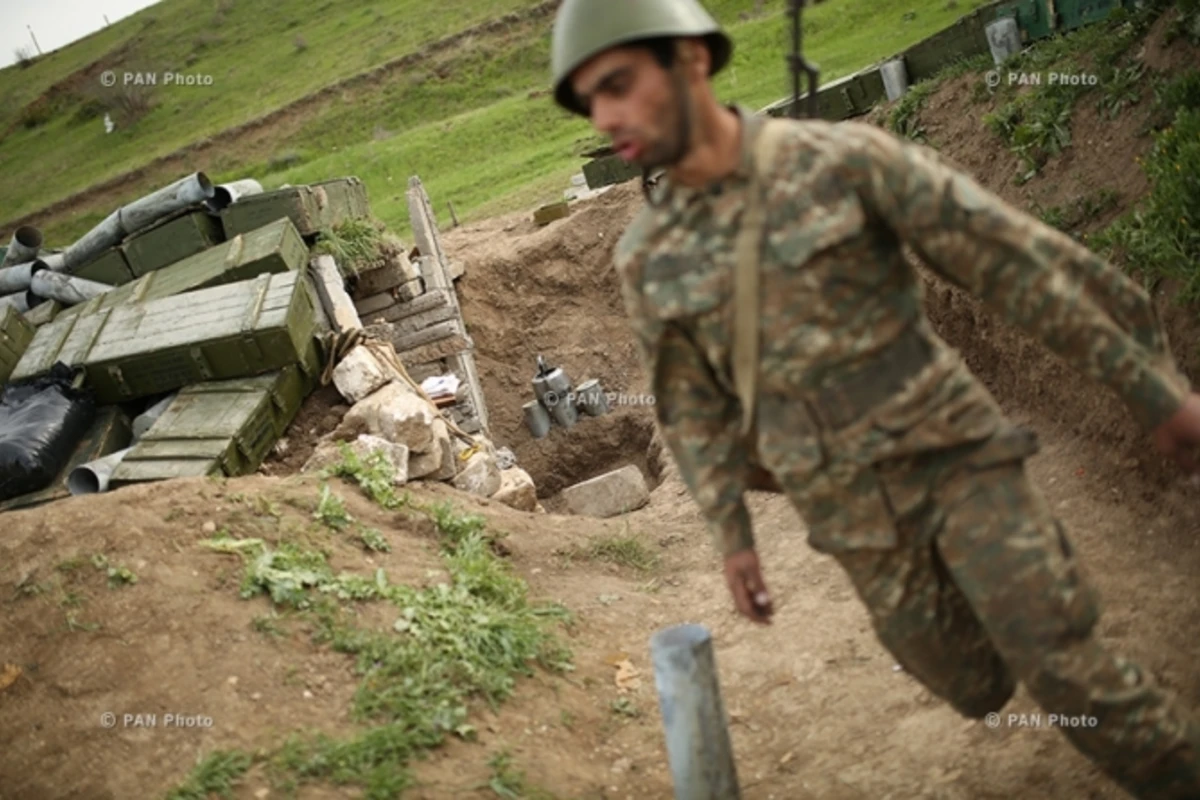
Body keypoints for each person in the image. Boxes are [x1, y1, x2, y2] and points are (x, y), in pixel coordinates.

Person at [549, 0, 1200, 797]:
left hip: (955, 454)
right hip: (848, 511)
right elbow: (690, 409)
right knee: (973, 683)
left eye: (617, 84)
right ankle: (1023, 624)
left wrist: (1151, 388)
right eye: (589, 101)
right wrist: (733, 536)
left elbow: (1015, 265)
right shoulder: (648, 259)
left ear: (689, 61)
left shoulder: (844, 160)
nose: (605, 116)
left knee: (1061, 665)